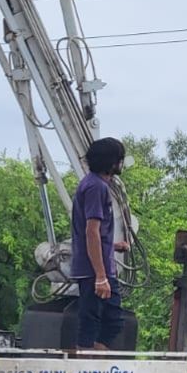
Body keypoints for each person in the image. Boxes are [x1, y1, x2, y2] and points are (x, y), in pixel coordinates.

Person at [70, 137, 132, 350]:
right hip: (94, 271)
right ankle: (86, 370)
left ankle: (93, 362)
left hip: (99, 267)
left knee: (110, 321)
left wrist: (113, 246)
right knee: (95, 322)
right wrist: (100, 276)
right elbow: (91, 231)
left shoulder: (93, 184)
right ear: (113, 162)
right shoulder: (96, 187)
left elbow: (91, 233)